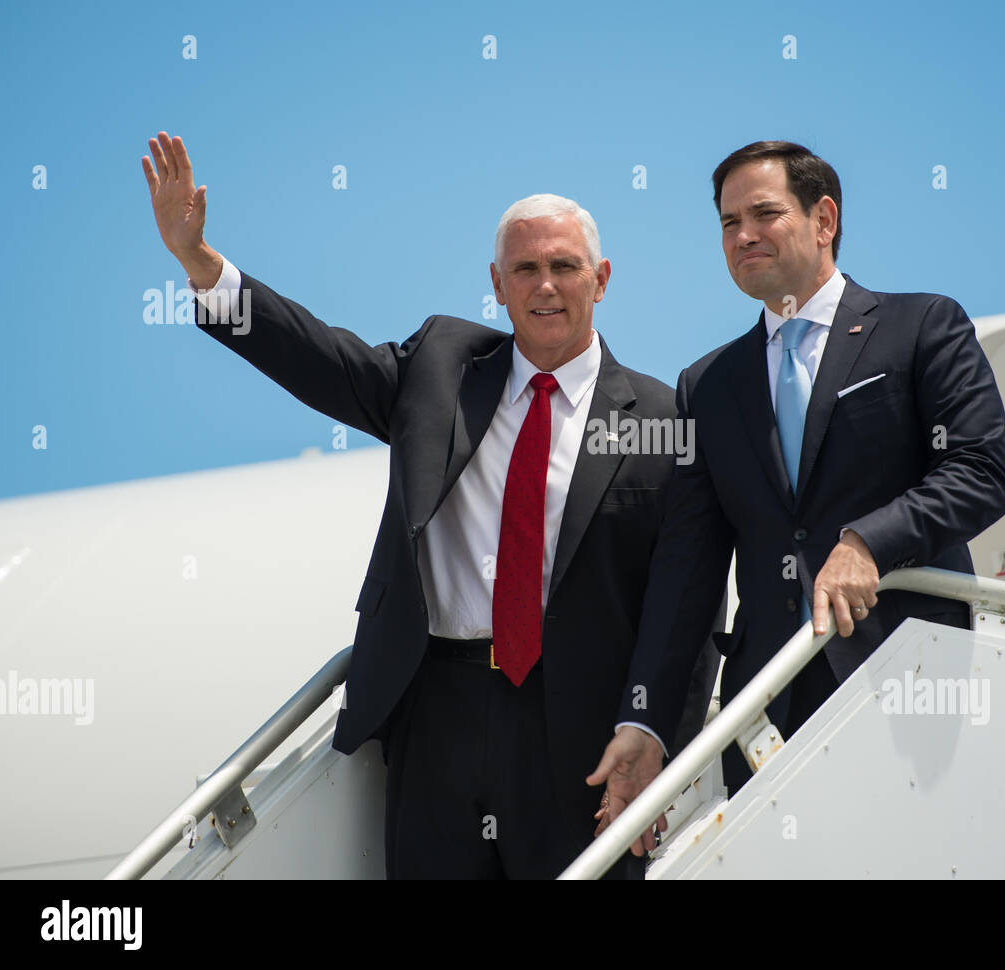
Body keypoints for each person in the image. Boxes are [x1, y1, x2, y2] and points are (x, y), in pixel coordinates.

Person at [141, 131, 701, 879]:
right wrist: (202, 265)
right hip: (439, 705)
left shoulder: (663, 418)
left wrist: (658, 735)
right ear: (495, 285)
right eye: (524, 269)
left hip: (582, 726)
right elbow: (320, 358)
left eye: (564, 267)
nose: (544, 286)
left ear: (600, 278)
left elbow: (684, 603)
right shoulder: (441, 366)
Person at [589, 140, 1005, 857]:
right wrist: (649, 723)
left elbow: (980, 471)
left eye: (764, 213)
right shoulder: (708, 384)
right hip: (770, 706)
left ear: (824, 219)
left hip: (911, 681)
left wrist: (868, 541)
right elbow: (688, 570)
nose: (743, 235)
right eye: (728, 223)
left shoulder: (921, 327)